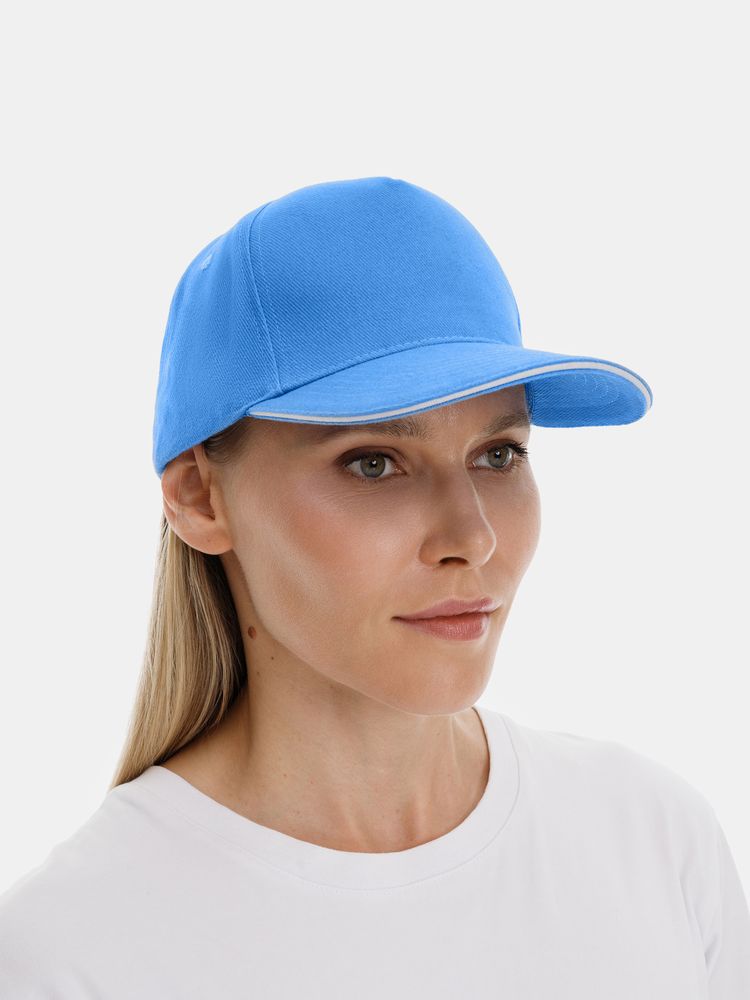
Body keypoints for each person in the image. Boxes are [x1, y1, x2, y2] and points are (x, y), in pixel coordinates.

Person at [1, 176, 748, 997]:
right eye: (373, 463)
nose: (472, 537)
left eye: (498, 454)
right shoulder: (73, 951)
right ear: (199, 498)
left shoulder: (654, 844)